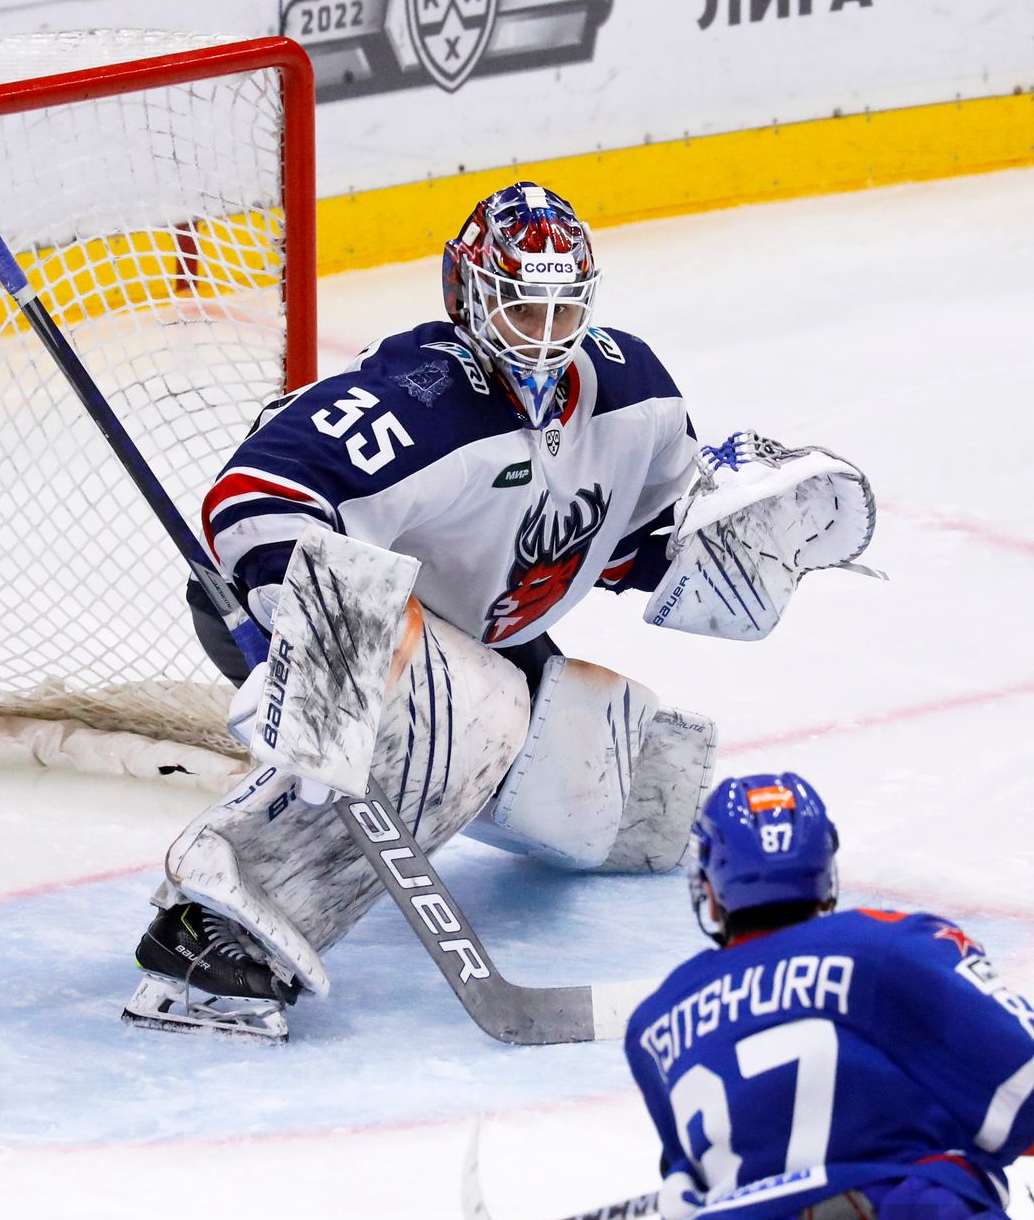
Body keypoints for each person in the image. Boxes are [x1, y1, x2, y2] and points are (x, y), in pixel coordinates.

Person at [125, 183, 875, 1038]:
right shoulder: (418, 396)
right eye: (523, 309)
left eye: (564, 311)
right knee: (466, 722)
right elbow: (255, 498)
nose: (546, 336)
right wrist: (315, 643)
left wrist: (728, 546)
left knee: (606, 802)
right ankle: (208, 932)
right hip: (300, 602)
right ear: (468, 295)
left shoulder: (637, 397)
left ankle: (450, 756)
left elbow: (625, 539)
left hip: (473, 624)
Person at [615, 773, 1034, 1220]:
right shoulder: (893, 948)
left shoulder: (656, 1025)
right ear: (824, 871)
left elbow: (691, 1188)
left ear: (712, 887)